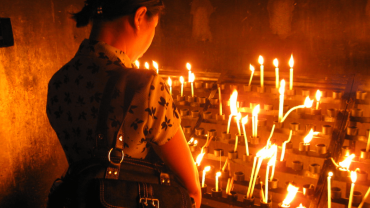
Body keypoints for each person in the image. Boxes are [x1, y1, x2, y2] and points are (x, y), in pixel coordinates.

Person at [46, 0, 201, 207]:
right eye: (154, 27)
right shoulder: (145, 88)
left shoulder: (60, 81)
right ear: (139, 17)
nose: (152, 38)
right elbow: (191, 193)